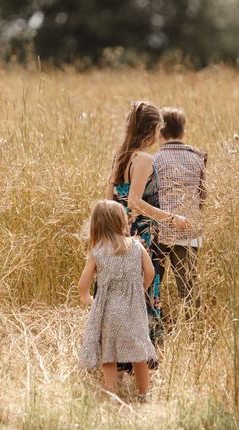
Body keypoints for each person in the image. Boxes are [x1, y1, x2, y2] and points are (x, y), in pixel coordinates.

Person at [106, 100, 189, 359]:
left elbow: (110, 198)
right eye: (157, 129)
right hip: (141, 235)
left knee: (122, 290)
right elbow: (135, 202)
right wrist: (171, 217)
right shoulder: (143, 159)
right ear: (152, 129)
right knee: (144, 287)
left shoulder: (120, 157)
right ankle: (142, 352)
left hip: (118, 233)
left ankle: (120, 349)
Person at [78, 200, 157, 399]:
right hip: (134, 309)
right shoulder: (137, 246)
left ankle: (112, 395)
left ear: (96, 225)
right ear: (122, 221)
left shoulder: (97, 252)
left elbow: (83, 286)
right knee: (139, 354)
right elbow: (150, 271)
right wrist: (141, 288)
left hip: (109, 312)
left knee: (109, 355)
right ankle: (143, 394)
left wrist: (91, 301)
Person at [153, 107, 207, 319]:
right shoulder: (198, 158)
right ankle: (194, 331)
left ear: (159, 132)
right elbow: (203, 195)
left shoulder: (154, 159)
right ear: (183, 132)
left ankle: (155, 325)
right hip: (190, 231)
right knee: (189, 287)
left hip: (160, 230)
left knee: (153, 284)